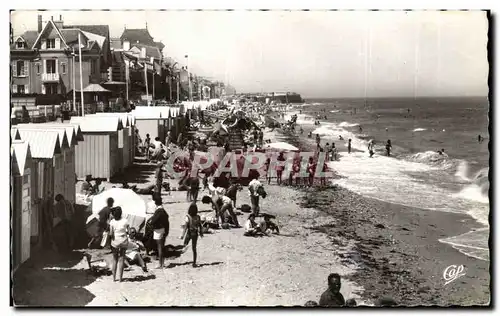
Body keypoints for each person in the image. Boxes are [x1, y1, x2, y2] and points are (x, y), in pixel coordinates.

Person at [180, 203, 204, 267]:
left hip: (189, 233)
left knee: (185, 243)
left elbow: (185, 227)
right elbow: (200, 226)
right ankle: (194, 262)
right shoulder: (198, 217)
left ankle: (183, 250)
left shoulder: (188, 217)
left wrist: (182, 235)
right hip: (195, 234)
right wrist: (201, 233)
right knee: (194, 248)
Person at [109, 207, 129, 282]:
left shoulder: (112, 222)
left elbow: (111, 233)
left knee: (115, 259)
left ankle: (114, 278)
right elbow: (129, 232)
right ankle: (120, 279)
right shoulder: (125, 221)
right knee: (122, 259)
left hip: (115, 241)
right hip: (123, 240)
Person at [149, 198, 170, 269]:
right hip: (163, 229)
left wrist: (151, 221)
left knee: (159, 248)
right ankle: (162, 263)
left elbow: (154, 221)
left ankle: (160, 264)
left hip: (158, 230)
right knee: (162, 247)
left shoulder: (158, 211)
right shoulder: (163, 211)